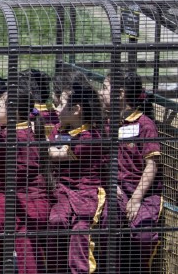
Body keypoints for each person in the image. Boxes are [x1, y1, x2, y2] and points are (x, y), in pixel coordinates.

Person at [0, 80, 50, 274]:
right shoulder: (33, 129)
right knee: (28, 252)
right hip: (37, 203)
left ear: (14, 112)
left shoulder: (6, 137)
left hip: (8, 201)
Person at [47, 76, 108, 274]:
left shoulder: (90, 137)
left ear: (76, 110)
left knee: (80, 231)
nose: (56, 109)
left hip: (86, 194)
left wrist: (38, 145)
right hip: (62, 191)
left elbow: (56, 154)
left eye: (62, 104)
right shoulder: (58, 129)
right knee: (56, 222)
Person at [107, 70, 162, 271]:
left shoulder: (145, 125)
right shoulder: (108, 123)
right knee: (107, 220)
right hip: (116, 190)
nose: (101, 92)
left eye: (105, 87)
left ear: (120, 93)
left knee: (143, 233)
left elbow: (152, 164)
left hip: (143, 192)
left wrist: (136, 199)